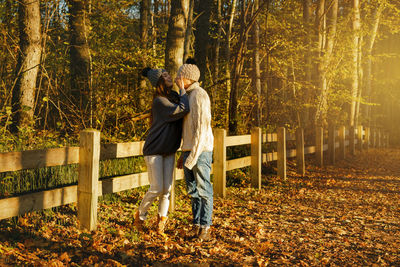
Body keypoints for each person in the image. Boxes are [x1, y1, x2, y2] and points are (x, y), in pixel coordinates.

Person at [134, 67, 189, 234]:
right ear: (159, 82)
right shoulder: (159, 101)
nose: (168, 76)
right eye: (164, 75)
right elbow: (181, 109)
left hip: (169, 150)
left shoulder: (173, 97)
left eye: (167, 73)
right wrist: (183, 90)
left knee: (166, 190)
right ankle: (140, 216)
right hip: (155, 150)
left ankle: (161, 222)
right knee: (157, 188)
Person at [176, 59, 214, 241]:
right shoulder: (187, 95)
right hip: (189, 150)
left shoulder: (199, 95)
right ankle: (197, 225)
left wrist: (193, 156)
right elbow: (188, 129)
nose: (176, 79)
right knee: (192, 191)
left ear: (187, 78)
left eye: (179, 76)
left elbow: (201, 128)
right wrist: (184, 153)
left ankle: (206, 227)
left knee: (203, 189)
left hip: (201, 151)